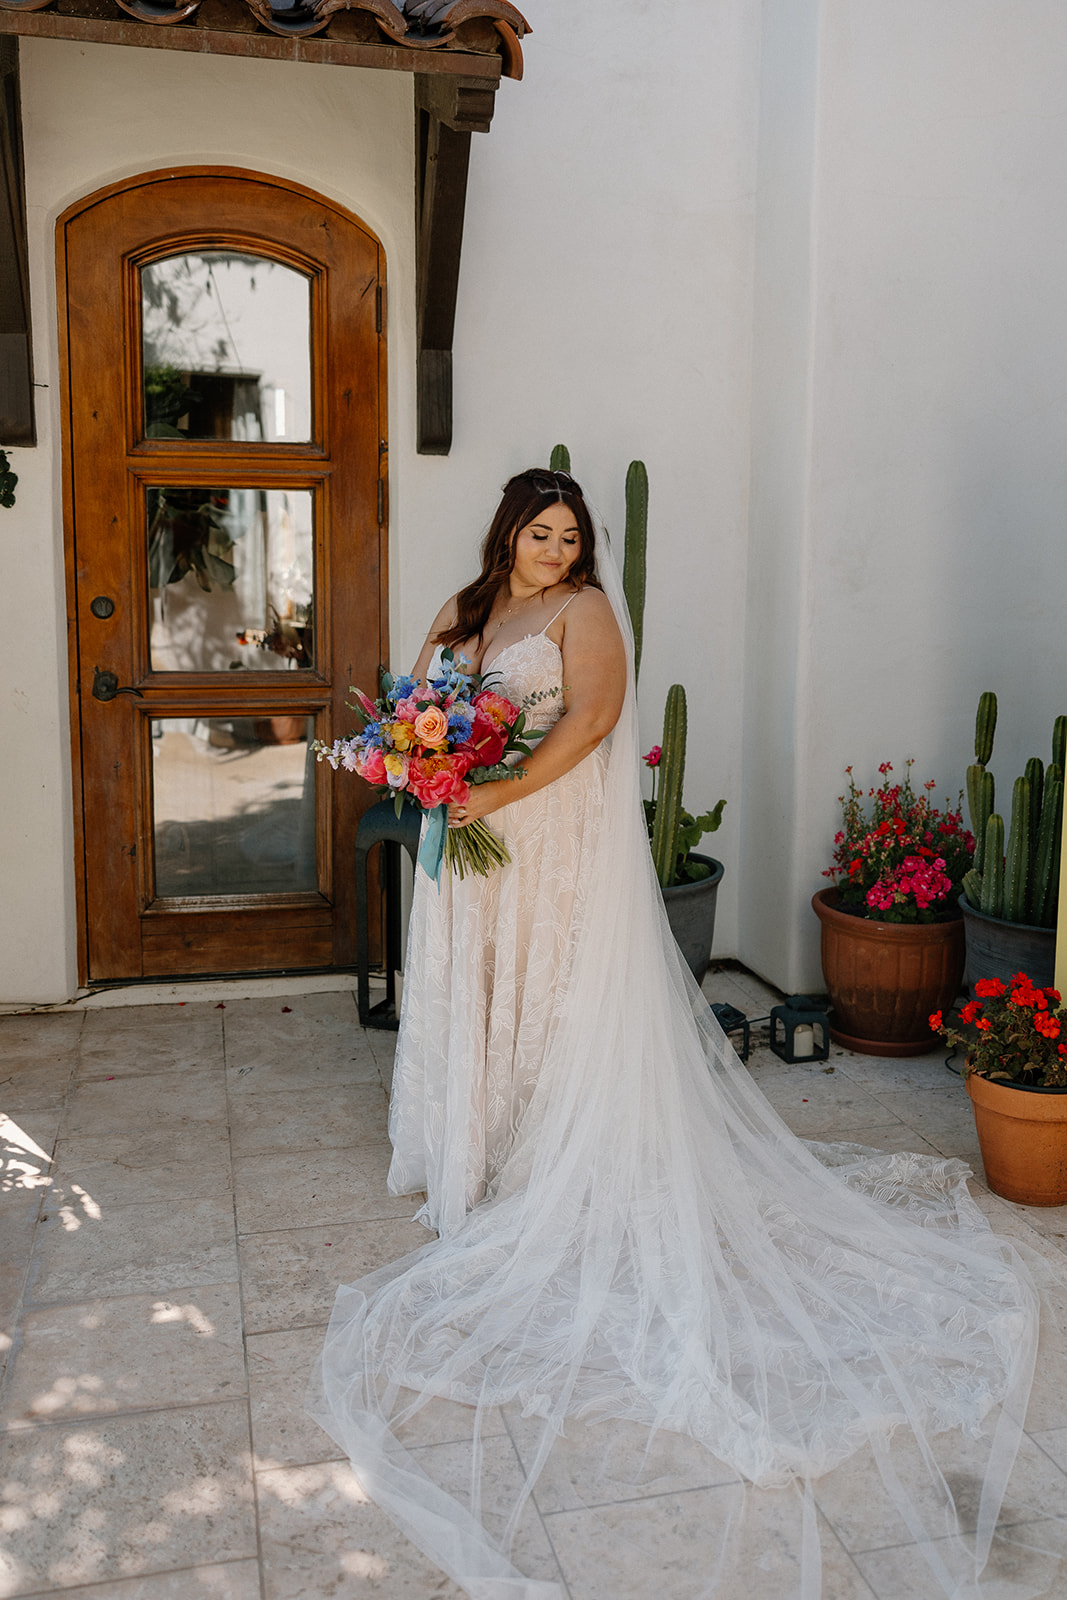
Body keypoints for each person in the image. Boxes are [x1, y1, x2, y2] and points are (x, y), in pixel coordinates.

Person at [310, 469, 1043, 1600]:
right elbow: (421, 702)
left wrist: (496, 796)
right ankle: (467, 1139)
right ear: (507, 532)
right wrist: (427, 768)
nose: (554, 550)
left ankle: (534, 1148)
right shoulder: (466, 611)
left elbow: (594, 721)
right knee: (473, 980)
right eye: (539, 533)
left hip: (540, 828)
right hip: (462, 832)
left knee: (541, 985)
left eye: (569, 536)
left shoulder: (585, 614)